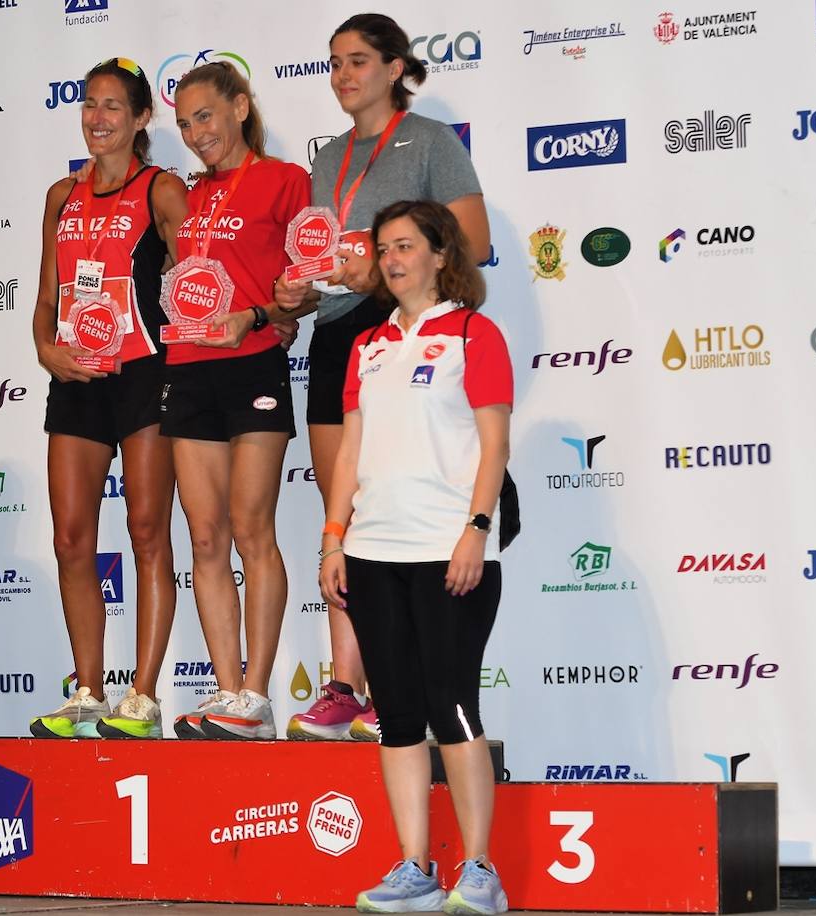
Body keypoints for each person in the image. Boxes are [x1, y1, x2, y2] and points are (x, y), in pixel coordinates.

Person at [282, 12, 491, 743]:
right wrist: (295, 294)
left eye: (360, 61)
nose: (343, 75)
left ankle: (390, 686)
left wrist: (383, 269)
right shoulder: (327, 158)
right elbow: (321, 266)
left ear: (397, 67)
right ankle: (345, 685)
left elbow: (476, 240)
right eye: (334, 62)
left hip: (408, 340)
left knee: (397, 508)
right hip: (339, 335)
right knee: (343, 517)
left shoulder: (430, 141)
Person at [319, 200, 510, 915]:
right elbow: (348, 454)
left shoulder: (472, 333)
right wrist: (334, 537)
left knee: (452, 706)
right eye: (384, 248)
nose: (392, 259)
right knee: (397, 716)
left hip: (448, 550)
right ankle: (414, 869)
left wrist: (476, 529)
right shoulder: (365, 346)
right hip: (371, 553)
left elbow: (494, 445)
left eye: (405, 246)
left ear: (439, 254)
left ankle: (481, 871)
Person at [28, 57, 189, 739]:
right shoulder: (61, 195)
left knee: (148, 531)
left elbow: (193, 284)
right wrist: (46, 349)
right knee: (71, 539)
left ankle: (143, 697)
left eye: (114, 107)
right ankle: (87, 690)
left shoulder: (163, 188)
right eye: (90, 104)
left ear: (142, 118)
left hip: (143, 376)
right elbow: (45, 298)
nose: (98, 118)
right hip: (75, 378)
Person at [163, 61, 309, 740]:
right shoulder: (188, 195)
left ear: (240, 107)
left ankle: (257, 692)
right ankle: (228, 694)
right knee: (203, 535)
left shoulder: (285, 179)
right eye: (185, 123)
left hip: (252, 365)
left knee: (253, 530)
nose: (197, 133)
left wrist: (258, 314)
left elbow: (303, 287)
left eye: (207, 116)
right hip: (188, 367)